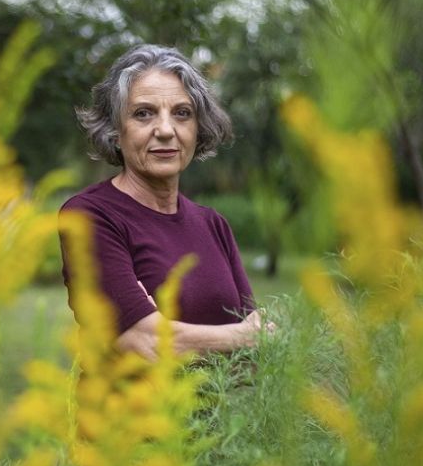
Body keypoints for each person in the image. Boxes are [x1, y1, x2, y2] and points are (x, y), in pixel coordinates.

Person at [59, 44, 273, 362]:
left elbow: (253, 360)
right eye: (143, 113)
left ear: (198, 128)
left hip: (222, 413)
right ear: (115, 130)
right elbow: (145, 344)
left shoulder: (213, 224)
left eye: (182, 113)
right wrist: (241, 337)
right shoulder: (90, 217)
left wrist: (175, 333)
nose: (165, 130)